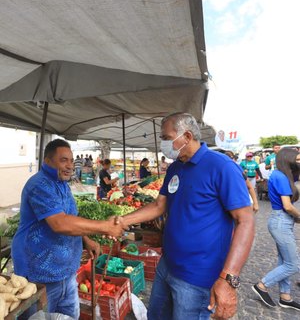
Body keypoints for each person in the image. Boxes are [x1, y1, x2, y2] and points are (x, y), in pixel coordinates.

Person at [116, 112, 255, 320]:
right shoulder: (175, 168)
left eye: (166, 138)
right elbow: (158, 205)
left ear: (187, 136)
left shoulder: (222, 167)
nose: (162, 143)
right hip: (167, 266)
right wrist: (122, 221)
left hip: (198, 277)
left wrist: (228, 279)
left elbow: (245, 221)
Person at [11, 139, 124, 319]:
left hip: (66, 272)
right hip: (38, 277)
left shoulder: (63, 185)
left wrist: (86, 240)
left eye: (71, 160)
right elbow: (60, 223)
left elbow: (72, 217)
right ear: (47, 161)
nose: (70, 165)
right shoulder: (39, 184)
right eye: (64, 160)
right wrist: (105, 227)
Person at [252, 148, 300, 310]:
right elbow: (287, 206)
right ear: (289, 159)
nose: (299, 161)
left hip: (282, 221)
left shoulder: (284, 176)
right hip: (281, 220)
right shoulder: (280, 176)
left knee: (285, 261)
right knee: (293, 264)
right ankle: (262, 285)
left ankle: (285, 296)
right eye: (298, 159)